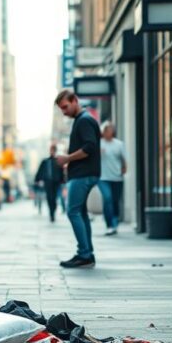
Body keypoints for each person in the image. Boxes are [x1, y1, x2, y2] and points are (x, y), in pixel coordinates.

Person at [54, 90, 101, 268]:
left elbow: (89, 147)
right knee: (80, 213)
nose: (64, 112)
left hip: (83, 174)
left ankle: (84, 253)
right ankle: (87, 253)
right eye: (61, 109)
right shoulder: (83, 120)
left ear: (75, 101)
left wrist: (66, 158)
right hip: (85, 173)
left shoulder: (84, 121)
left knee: (73, 211)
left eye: (65, 107)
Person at [97, 121, 126, 235]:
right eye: (105, 130)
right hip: (103, 177)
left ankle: (114, 222)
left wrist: (123, 170)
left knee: (115, 201)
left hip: (117, 177)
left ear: (113, 132)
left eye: (110, 130)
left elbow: (123, 159)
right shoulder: (98, 144)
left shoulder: (119, 144)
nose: (108, 132)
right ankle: (109, 225)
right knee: (107, 198)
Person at [33, 143, 65, 222]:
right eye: (51, 150)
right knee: (49, 197)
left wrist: (62, 180)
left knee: (54, 198)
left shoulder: (58, 161)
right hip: (47, 182)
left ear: (55, 151)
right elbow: (40, 171)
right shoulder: (45, 161)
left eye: (53, 150)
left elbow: (61, 172)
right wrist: (37, 180)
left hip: (56, 182)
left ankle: (53, 212)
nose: (52, 152)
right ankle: (51, 213)